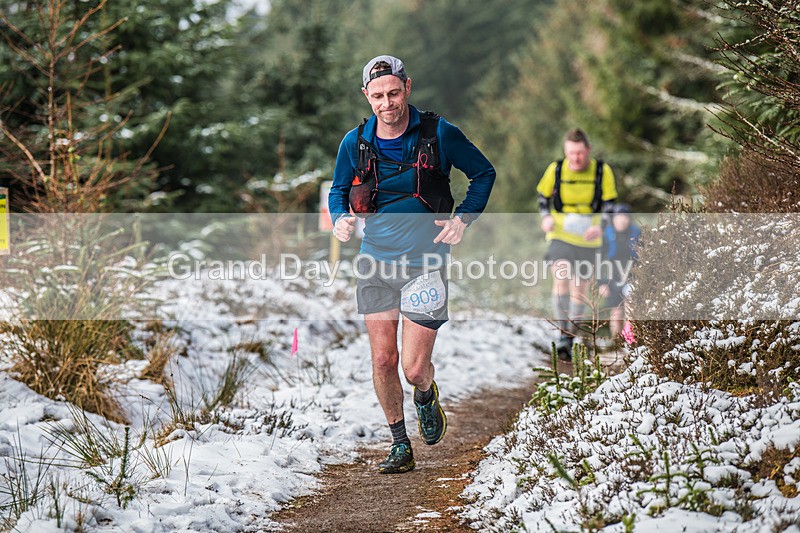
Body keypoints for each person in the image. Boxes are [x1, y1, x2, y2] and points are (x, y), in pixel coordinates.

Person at [329, 55, 495, 474]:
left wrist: (464, 218)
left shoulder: (440, 133)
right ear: (367, 96)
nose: (388, 103)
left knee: (413, 367)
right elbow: (336, 191)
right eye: (378, 96)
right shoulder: (355, 142)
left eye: (394, 93)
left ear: (408, 87)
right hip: (375, 263)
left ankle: (425, 394)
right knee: (384, 360)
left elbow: (484, 173)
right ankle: (400, 443)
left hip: (426, 263)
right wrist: (340, 219)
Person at [537, 128, 617, 360]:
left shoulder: (602, 171)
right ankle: (563, 334)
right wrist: (546, 217)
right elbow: (543, 197)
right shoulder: (556, 169)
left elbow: (610, 204)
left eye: (580, 153)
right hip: (560, 234)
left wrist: (600, 227)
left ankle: (570, 337)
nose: (575, 158)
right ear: (566, 151)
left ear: (588, 151)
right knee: (561, 276)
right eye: (571, 153)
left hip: (589, 238)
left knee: (579, 288)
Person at [598, 203, 640, 339]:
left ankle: (630, 341)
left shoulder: (637, 233)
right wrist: (601, 283)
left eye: (625, 217)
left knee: (631, 309)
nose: (622, 220)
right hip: (612, 278)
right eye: (618, 217)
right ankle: (616, 345)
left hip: (632, 277)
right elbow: (600, 262)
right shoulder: (606, 235)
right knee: (615, 313)